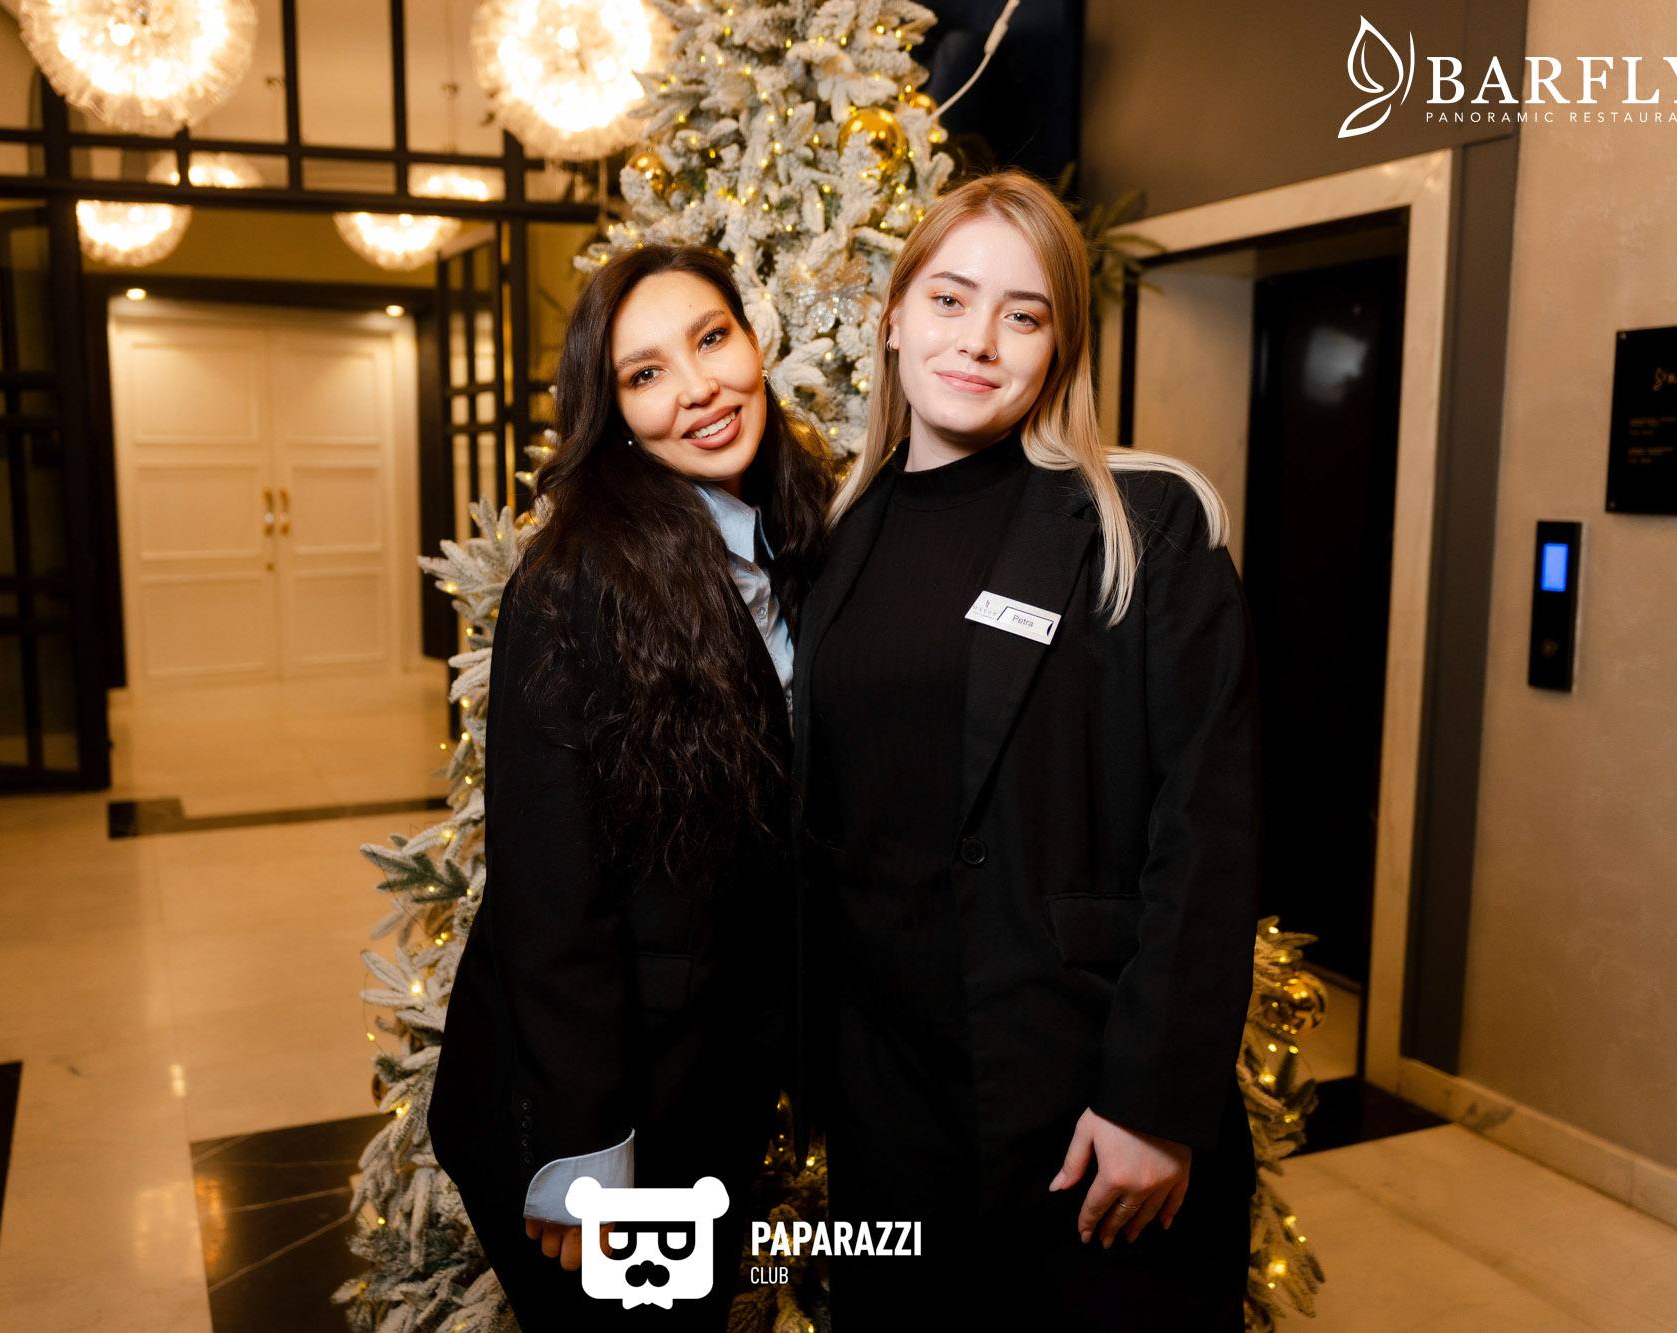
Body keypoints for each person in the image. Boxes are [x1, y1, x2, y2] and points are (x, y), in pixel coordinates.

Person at [794, 171, 1263, 1328]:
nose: (977, 341)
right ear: (892, 318)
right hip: (885, 1110)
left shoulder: (1143, 528)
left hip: (1078, 1104)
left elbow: (1207, 830)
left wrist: (1153, 1100)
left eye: (1023, 313)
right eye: (949, 299)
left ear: (1058, 349)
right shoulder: (837, 537)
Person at [428, 243, 835, 1328]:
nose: (696, 387)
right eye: (646, 373)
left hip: (711, 1080)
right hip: (591, 1104)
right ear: (609, 413)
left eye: (711, 339)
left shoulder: (795, 538)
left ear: (754, 342)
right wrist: (584, 1155)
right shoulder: (574, 581)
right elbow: (548, 893)